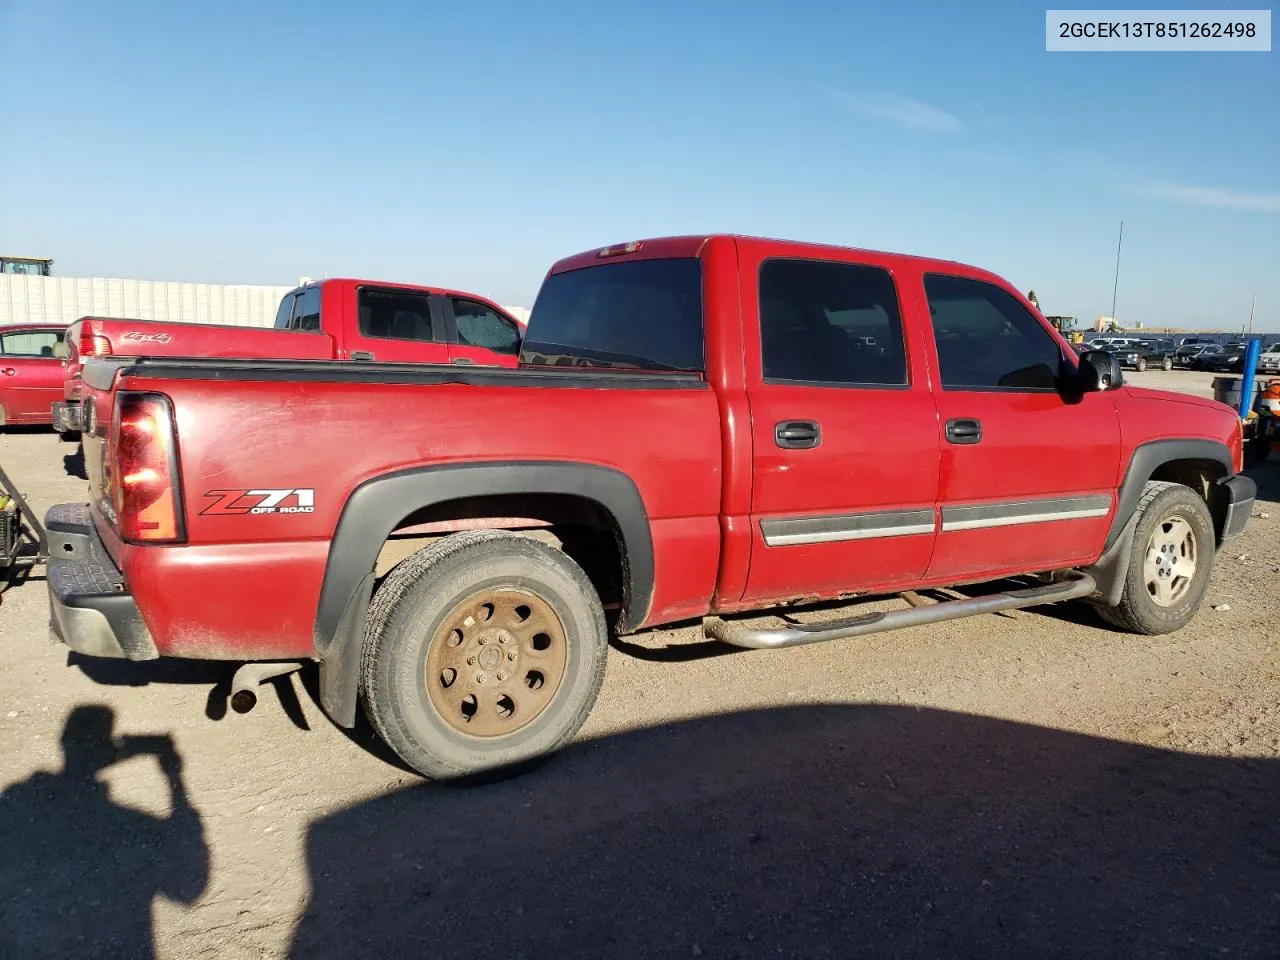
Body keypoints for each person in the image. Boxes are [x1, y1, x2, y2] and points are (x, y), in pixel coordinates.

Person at [0, 705, 209, 959]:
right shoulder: (136, 825)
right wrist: (175, 781)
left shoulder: (19, 799)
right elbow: (189, 887)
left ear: (64, 743)